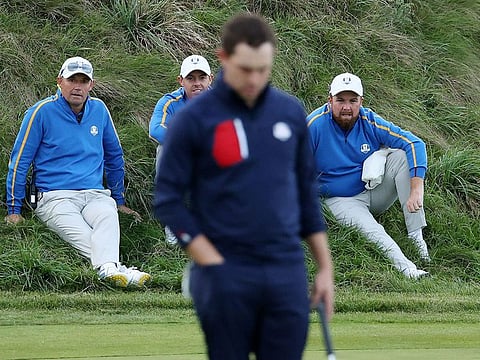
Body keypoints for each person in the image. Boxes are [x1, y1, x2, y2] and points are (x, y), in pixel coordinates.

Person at [153, 13, 334, 360]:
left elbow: (305, 196)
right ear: (224, 59)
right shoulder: (193, 119)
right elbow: (168, 201)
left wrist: (324, 268)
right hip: (225, 271)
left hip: (285, 271)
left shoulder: (289, 112)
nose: (254, 79)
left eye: (263, 69)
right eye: (245, 69)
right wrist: (211, 262)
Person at [5, 56, 151, 288]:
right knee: (87, 237)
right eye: (73, 80)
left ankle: (110, 271)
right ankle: (119, 270)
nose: (78, 86)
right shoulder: (40, 112)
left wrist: (119, 199)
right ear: (60, 81)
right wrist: (14, 209)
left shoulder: (100, 110)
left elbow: (114, 156)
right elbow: (20, 160)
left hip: (94, 194)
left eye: (84, 81)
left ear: (91, 85)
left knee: (108, 215)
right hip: (55, 197)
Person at [307, 72, 430, 279]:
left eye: (353, 101)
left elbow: (414, 143)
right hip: (341, 199)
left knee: (401, 156)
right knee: (375, 232)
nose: (347, 107)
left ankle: (416, 237)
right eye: (340, 100)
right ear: (330, 101)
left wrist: (416, 190)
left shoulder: (369, 120)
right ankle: (409, 270)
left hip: (372, 189)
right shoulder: (314, 125)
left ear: (361, 102)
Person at [149, 54, 213, 245]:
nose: (197, 84)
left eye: (202, 78)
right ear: (181, 80)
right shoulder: (170, 102)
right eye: (191, 78)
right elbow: (156, 130)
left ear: (210, 79)